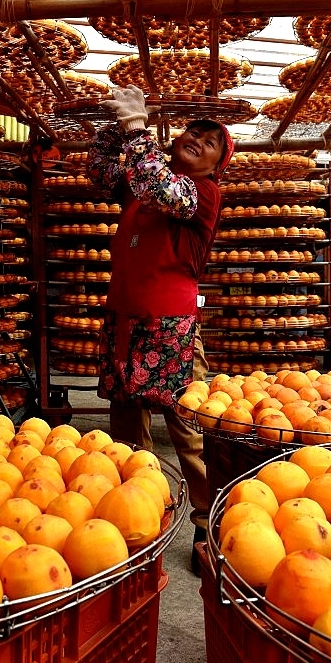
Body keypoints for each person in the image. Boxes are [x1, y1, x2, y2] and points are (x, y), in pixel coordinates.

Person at [86, 84, 235, 575]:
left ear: (216, 165)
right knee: (126, 431)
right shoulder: (147, 184)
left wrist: (136, 126)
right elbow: (102, 173)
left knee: (188, 430)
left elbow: (158, 184)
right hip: (125, 322)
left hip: (170, 328)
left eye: (210, 141)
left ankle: (206, 521)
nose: (197, 138)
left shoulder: (200, 193)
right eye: (193, 130)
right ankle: (140, 514)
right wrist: (114, 127)